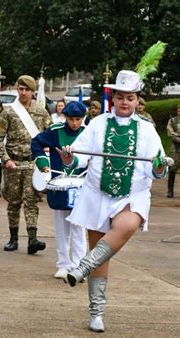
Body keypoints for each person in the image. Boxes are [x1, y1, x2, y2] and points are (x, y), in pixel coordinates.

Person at [57, 70, 168, 332]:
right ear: (113, 98)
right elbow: (80, 158)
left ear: (137, 100)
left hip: (133, 195)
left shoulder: (147, 129)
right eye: (120, 97)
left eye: (130, 97)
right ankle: (96, 312)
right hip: (97, 194)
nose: (125, 102)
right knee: (101, 256)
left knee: (128, 225)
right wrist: (69, 157)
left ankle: (81, 267)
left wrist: (160, 166)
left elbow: (158, 169)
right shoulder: (97, 124)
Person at [0, 74, 51, 254]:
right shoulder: (9, 112)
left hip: (33, 164)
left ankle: (33, 239)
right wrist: (5, 159)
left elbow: (50, 135)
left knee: (32, 201)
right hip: (13, 164)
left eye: (27, 89)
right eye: (21, 89)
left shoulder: (42, 112)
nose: (23, 92)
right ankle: (13, 238)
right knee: (13, 201)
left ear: (33, 91)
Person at [31, 101, 87, 279]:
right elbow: (36, 143)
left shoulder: (87, 133)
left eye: (78, 119)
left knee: (78, 227)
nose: (74, 123)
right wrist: (42, 164)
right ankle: (63, 264)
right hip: (60, 185)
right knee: (61, 227)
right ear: (65, 117)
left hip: (81, 186)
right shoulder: (56, 131)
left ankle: (80, 265)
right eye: (71, 119)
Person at [166, 104, 180, 198]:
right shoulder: (172, 120)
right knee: (172, 169)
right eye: (179, 110)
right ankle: (170, 191)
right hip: (175, 148)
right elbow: (170, 132)